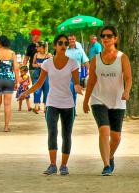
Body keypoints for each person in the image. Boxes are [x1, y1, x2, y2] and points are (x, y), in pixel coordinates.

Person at [18, 34, 83, 175]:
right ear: (55, 45)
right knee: (52, 133)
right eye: (60, 43)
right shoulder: (47, 63)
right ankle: (53, 165)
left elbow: (77, 83)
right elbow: (39, 83)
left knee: (67, 135)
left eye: (66, 43)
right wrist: (26, 93)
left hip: (68, 104)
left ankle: (64, 165)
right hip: (52, 102)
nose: (63, 46)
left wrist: (80, 89)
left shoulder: (73, 63)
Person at [83, 26, 132, 176]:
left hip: (118, 101)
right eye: (103, 36)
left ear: (115, 39)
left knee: (116, 137)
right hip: (99, 100)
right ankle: (106, 165)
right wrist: (85, 101)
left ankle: (110, 156)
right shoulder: (95, 59)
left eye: (109, 36)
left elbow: (128, 78)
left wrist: (126, 91)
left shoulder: (122, 57)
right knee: (104, 131)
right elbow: (91, 82)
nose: (105, 38)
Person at [66, 34, 89, 105]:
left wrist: (89, 69)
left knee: (75, 91)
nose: (71, 41)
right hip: (66, 73)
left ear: (75, 40)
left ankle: (73, 107)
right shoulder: (64, 50)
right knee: (68, 91)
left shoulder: (80, 50)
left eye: (73, 39)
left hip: (77, 73)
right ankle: (67, 107)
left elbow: (85, 60)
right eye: (69, 39)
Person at [31, 42, 52, 113]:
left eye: (37, 47)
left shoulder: (48, 55)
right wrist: (37, 65)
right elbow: (33, 64)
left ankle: (45, 107)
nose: (36, 48)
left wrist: (43, 65)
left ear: (42, 47)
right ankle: (36, 106)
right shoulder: (36, 54)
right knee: (37, 90)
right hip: (37, 74)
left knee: (46, 90)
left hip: (46, 74)